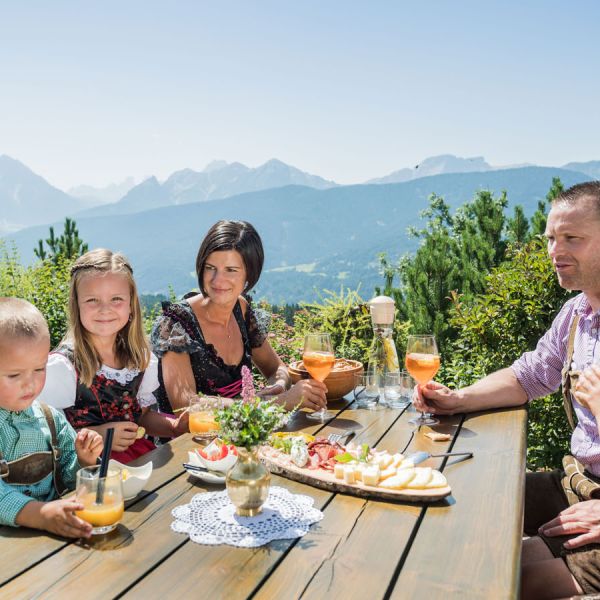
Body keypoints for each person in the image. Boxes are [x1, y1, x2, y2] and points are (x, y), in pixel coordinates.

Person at [413, 181, 600, 598]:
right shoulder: (577, 313)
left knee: (491, 577)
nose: (555, 250)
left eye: (573, 238)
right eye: (551, 237)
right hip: (577, 481)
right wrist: (459, 398)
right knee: (459, 501)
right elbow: (529, 375)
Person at [151, 220, 327, 413]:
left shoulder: (241, 309)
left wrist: (278, 386)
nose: (218, 280)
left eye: (231, 270)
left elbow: (276, 368)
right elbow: (186, 406)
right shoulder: (177, 324)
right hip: (188, 442)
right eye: (210, 268)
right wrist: (277, 403)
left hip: (241, 437)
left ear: (249, 275)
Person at [38, 249, 188, 463]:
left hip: (139, 461)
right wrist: (98, 433)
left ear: (131, 305)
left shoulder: (139, 358)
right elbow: (47, 438)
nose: (105, 309)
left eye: (116, 299)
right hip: (89, 469)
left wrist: (175, 426)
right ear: (76, 305)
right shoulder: (63, 367)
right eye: (92, 300)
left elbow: (141, 417)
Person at [0, 297, 104, 538]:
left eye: (39, 369)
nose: (31, 383)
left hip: (55, 539)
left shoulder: (50, 418)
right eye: (14, 375)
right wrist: (42, 514)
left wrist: (84, 461)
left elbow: (67, 476)